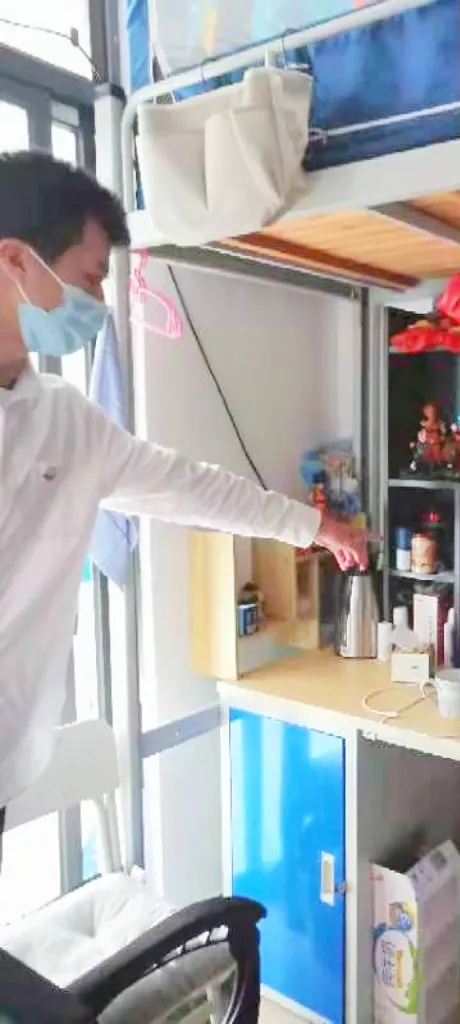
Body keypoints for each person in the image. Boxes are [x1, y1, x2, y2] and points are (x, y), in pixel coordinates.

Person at [0, 151, 368, 866]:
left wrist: (314, 525)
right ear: (16, 259)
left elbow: (191, 486)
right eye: (89, 279)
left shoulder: (64, 421)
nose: (98, 305)